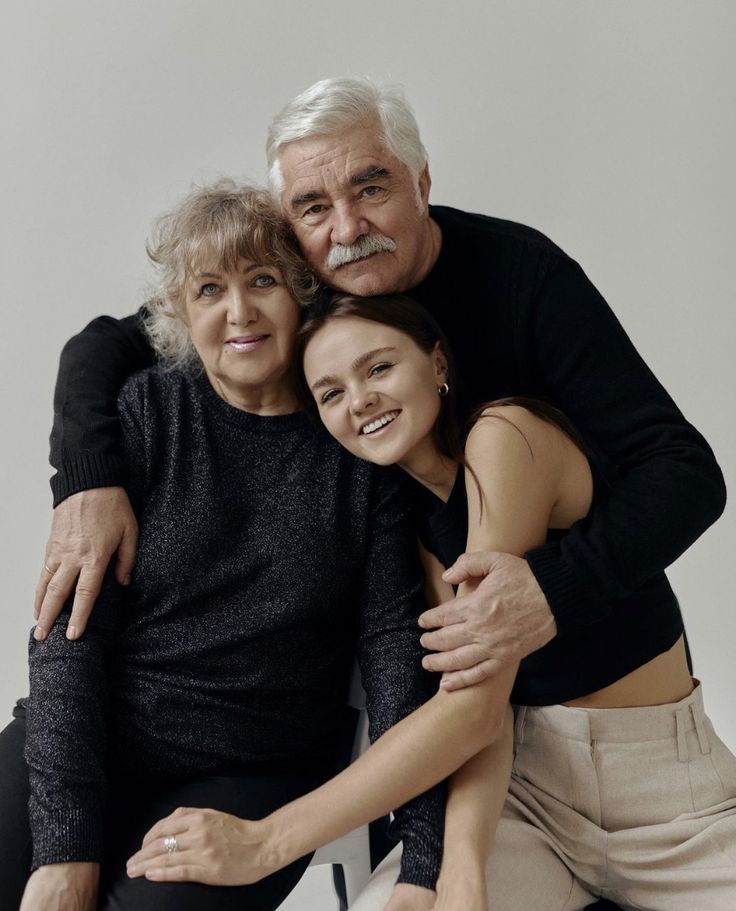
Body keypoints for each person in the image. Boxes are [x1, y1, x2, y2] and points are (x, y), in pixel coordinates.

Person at [35, 77, 725, 710]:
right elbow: (112, 342)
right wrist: (89, 481)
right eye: (313, 207)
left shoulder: (523, 276)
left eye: (371, 189)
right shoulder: (307, 289)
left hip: (602, 678)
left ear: (421, 182)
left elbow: (685, 473)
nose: (346, 229)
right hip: (418, 681)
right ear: (292, 224)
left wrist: (552, 588)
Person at [2, 182, 518, 911]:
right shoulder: (146, 412)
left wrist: (421, 865)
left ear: (301, 295)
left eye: (263, 281)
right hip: (88, 739)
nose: (238, 312)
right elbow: (68, 636)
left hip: (255, 771)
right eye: (210, 289)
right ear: (179, 312)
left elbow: (396, 656)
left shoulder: (356, 448)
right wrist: (65, 849)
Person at [295, 292, 736, 910]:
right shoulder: (416, 526)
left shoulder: (506, 435)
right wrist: (462, 868)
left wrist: (266, 841)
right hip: (526, 796)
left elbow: (471, 707)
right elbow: (488, 712)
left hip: (671, 801)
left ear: (438, 364)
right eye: (331, 392)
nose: (360, 399)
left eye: (377, 368)